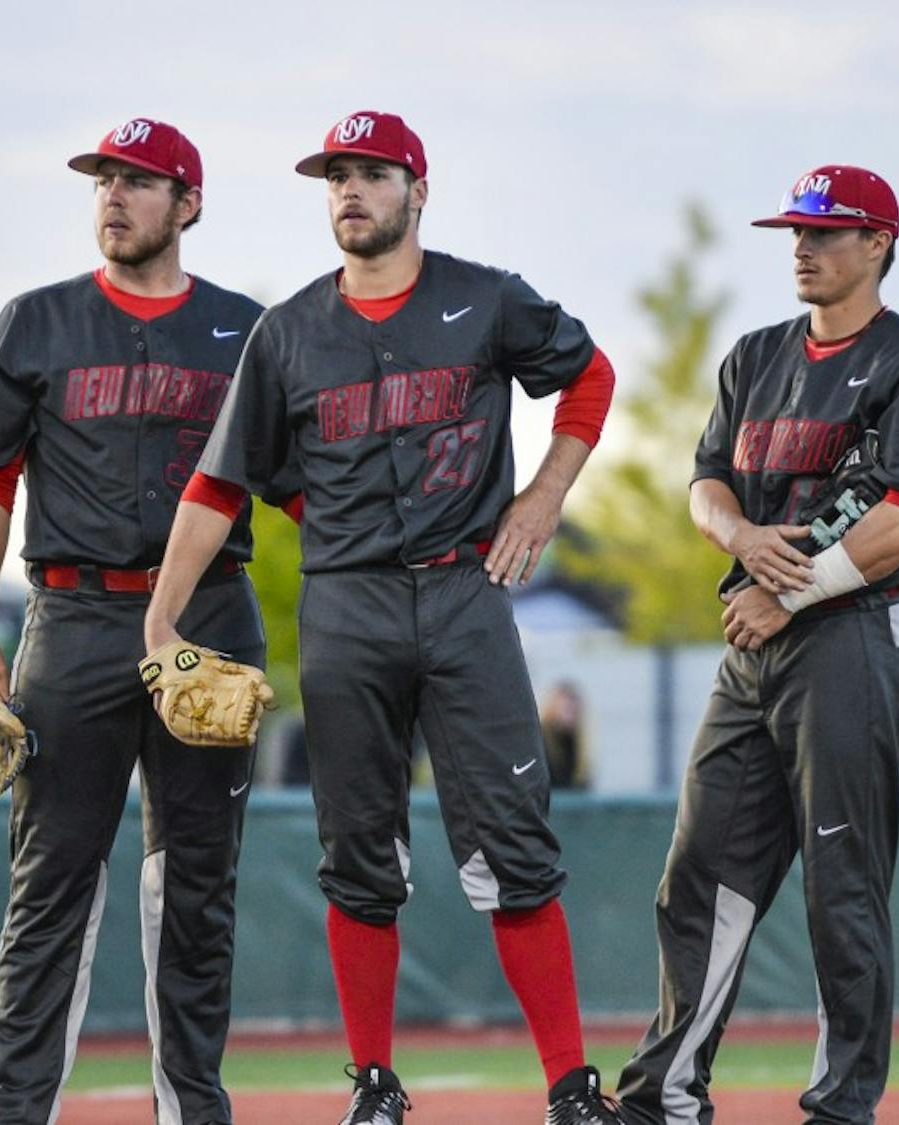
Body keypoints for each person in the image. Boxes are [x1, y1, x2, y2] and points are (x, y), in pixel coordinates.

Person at [142, 109, 622, 1125]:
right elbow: (224, 482)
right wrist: (159, 621)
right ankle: (374, 1084)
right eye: (334, 176)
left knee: (516, 848)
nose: (349, 190)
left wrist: (542, 498)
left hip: (464, 593)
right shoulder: (288, 332)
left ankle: (572, 1086)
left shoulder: (484, 298)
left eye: (370, 172)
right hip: (348, 604)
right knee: (358, 856)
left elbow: (589, 374)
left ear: (419, 187)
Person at [616, 166, 899, 1125]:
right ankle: (665, 1095)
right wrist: (739, 541)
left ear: (880, 244)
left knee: (841, 885)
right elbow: (706, 483)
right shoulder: (755, 355)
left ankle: (838, 1107)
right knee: (700, 872)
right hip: (756, 648)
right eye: (796, 233)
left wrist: (792, 591)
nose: (803, 247)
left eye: (827, 232)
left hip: (849, 636)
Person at [0, 117, 286, 1124]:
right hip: (72, 617)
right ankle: (14, 1110)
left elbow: (305, 486)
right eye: (103, 180)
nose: (113, 196)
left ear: (187, 205)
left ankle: (192, 1106)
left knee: (195, 888)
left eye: (139, 182)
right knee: (50, 883)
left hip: (207, 620)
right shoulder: (36, 322)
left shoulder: (248, 330)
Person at [539, 680, 589, 790]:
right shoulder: (540, 741)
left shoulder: (576, 742)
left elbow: (582, 781)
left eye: (574, 711)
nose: (571, 716)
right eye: (567, 709)